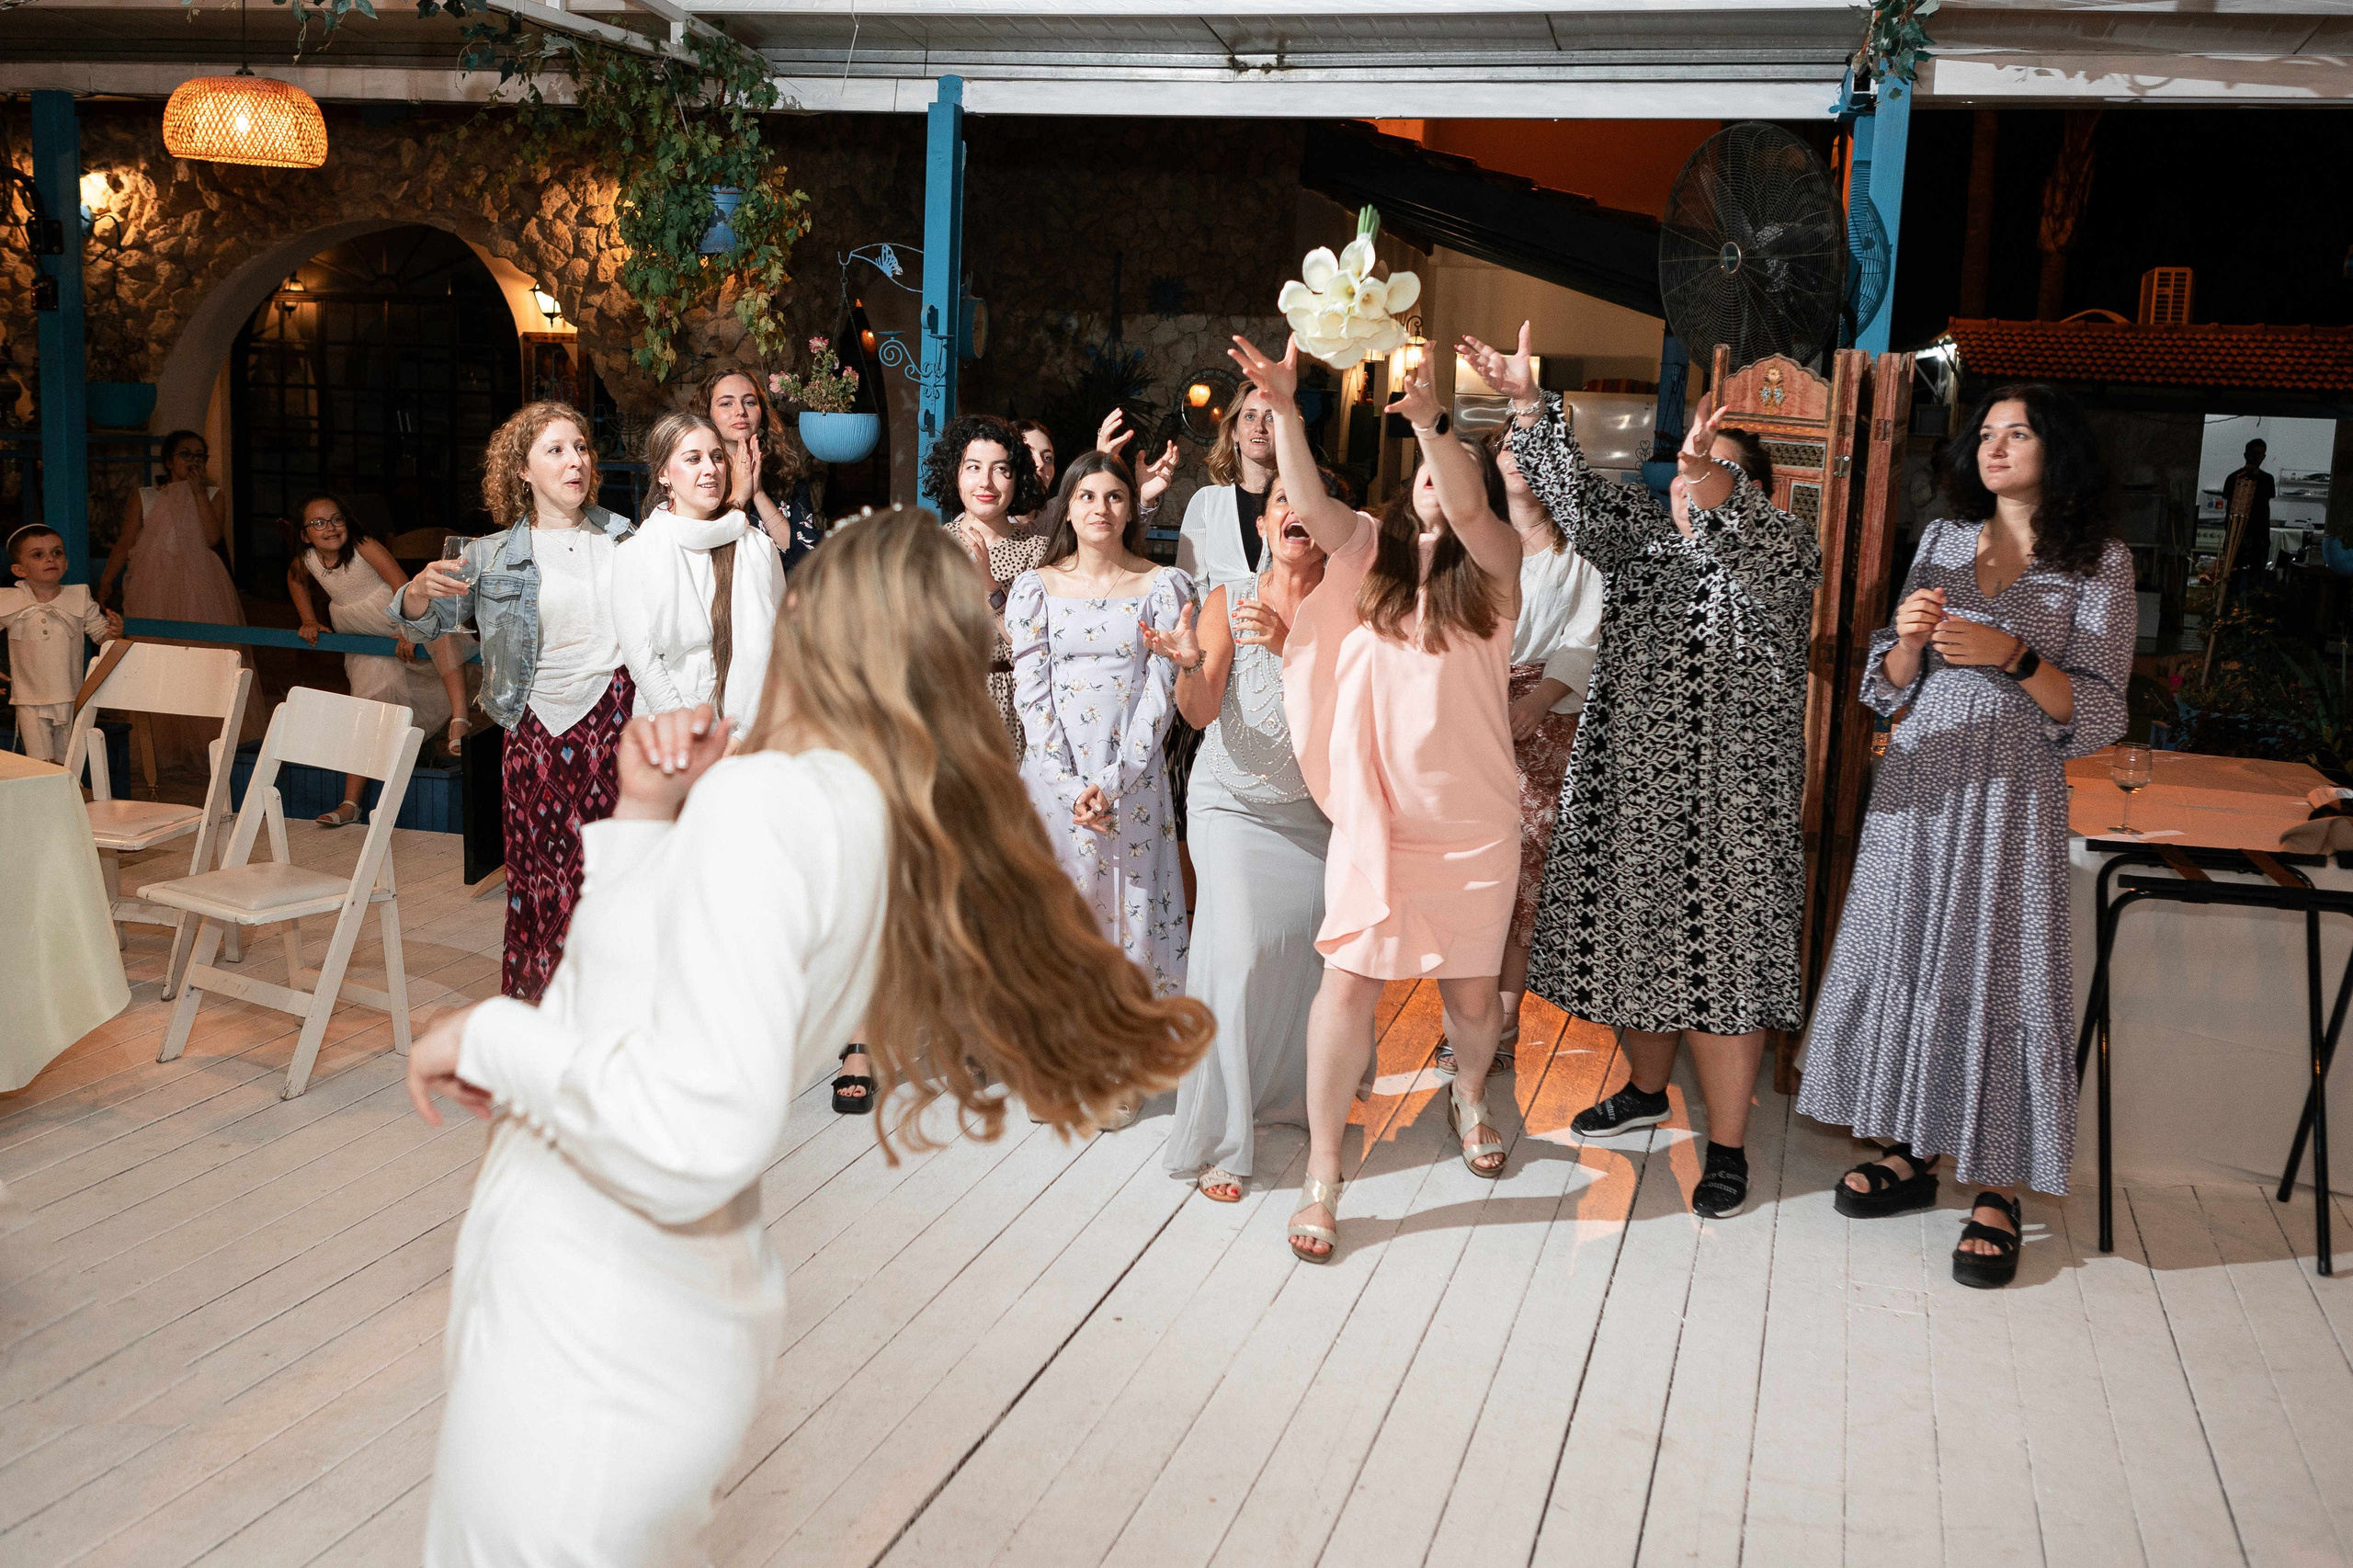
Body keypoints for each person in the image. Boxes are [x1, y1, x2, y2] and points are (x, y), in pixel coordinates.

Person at [402, 506, 1214, 1567]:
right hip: (635, 1313)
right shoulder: (862, 812)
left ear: (815, 623)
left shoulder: (770, 805)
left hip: (596, 1325)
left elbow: (697, 1126)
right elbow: (643, 1007)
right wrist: (645, 819)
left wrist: (495, 1035)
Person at [1464, 321, 1819, 1221]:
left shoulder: (1779, 560)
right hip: (1633, 799)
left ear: (1755, 496)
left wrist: (1708, 470)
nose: (1698, 482)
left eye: (1723, 471)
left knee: (1725, 976)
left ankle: (1729, 1146)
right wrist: (1522, 401)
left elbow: (1730, 507)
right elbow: (1572, 496)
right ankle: (1647, 1090)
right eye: (1690, 468)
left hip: (1734, 810)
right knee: (1639, 954)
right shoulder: (1641, 552)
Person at [1800, 384, 2134, 1290]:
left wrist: (2017, 656)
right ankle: (1909, 1148)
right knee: (1904, 950)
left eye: (2016, 432)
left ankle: (1994, 1187)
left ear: (2054, 448)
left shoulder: (2098, 560)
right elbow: (1889, 679)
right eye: (1985, 433)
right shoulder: (1945, 540)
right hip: (1918, 777)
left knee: (1996, 963)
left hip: (2010, 788)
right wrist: (1905, 643)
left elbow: (2102, 707)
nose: (1993, 446)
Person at [1228, 334, 1521, 1264]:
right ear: (1408, 484)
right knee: (1345, 983)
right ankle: (1322, 1174)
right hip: (1377, 818)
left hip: (1471, 821)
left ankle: (1469, 1090)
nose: (1442, 477)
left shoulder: (1498, 566)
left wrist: (1438, 421)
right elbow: (1309, 503)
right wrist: (1282, 408)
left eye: (1456, 462)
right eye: (1431, 465)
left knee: (1472, 1005)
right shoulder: (1369, 556)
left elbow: (1470, 506)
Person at [392, 402, 636, 1003]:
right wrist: (419, 592)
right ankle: (542, 1013)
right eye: (555, 449)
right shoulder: (490, 554)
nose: (573, 460)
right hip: (532, 731)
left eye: (580, 447)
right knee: (542, 880)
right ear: (522, 469)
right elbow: (420, 626)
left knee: (612, 879)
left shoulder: (625, 538)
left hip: (614, 724)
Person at [1144, 470, 1333, 1202]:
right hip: (1230, 805)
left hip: (1313, 808)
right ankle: (1227, 1135)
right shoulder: (1228, 600)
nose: (1293, 512)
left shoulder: (1347, 610)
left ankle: (1286, 1098)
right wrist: (1189, 662)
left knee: (1308, 957)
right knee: (1242, 950)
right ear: (1264, 526)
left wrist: (1293, 647)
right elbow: (1197, 715)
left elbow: (1351, 712)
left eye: (1308, 502)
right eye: (1281, 499)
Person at [1434, 429, 1605, 1077]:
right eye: (1510, 449)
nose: (1521, 462)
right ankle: (1463, 1022)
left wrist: (1535, 704)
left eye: (1537, 452)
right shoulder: (1472, 541)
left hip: (1546, 723)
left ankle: (1500, 1026)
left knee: (1520, 885)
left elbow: (1586, 637)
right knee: (1464, 879)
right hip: (1469, 715)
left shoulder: (1579, 551)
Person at [1008, 452, 1193, 999]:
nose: (1100, 508)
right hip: (1053, 777)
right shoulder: (1034, 588)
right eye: (1086, 496)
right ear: (1066, 509)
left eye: (1114, 496)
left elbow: (1161, 692)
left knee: (1129, 904)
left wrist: (1114, 780)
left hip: (1130, 776)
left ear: (1131, 507)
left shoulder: (1164, 585)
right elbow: (1031, 691)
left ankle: (1127, 1040)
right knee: (1056, 904)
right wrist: (1068, 787)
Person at [287, 494, 474, 824]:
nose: (329, 528)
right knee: (366, 704)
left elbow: (401, 583)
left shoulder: (363, 545)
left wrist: (408, 629)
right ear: (305, 534)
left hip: (398, 613)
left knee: (441, 634)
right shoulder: (306, 560)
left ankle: (459, 718)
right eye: (317, 523)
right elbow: (295, 580)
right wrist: (308, 619)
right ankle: (351, 803)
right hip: (364, 634)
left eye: (336, 519)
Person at [613, 413, 785, 743]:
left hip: (747, 735)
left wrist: (737, 740)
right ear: (664, 473)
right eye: (693, 459)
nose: (711, 469)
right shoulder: (634, 554)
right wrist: (691, 738)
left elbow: (779, 648)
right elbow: (643, 662)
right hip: (666, 735)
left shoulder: (758, 548)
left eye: (717, 457)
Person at [96, 428, 252, 768]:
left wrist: (195, 492)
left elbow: (212, 537)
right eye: (186, 454)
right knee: (155, 654)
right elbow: (125, 541)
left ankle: (208, 740)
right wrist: (107, 580)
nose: (193, 461)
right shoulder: (146, 495)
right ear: (168, 461)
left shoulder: (213, 494)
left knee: (202, 656)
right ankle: (162, 744)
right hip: (153, 582)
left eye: (200, 455)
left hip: (201, 584)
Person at [923, 414, 1051, 752]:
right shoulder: (930, 547)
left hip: (1015, 703)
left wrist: (988, 584)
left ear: (1017, 478)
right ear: (956, 474)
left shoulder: (1039, 553)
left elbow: (1033, 645)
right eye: (974, 467)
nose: (986, 483)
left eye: (1001, 470)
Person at [1, 524, 119, 764]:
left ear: (65, 562)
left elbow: (100, 635)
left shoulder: (79, 596)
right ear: (19, 569)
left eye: (57, 553)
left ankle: (71, 798)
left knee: (70, 761)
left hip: (70, 695)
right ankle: (44, 800)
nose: (50, 559)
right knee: (40, 763)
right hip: (28, 699)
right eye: (38, 555)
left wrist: (113, 633)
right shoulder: (8, 600)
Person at [703, 365, 824, 573]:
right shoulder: (701, 477)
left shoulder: (786, 473)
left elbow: (806, 558)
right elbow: (709, 556)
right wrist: (740, 493)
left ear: (762, 413)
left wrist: (758, 493)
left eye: (749, 402)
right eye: (726, 403)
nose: (740, 411)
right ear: (708, 414)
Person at [1175, 382, 1279, 592]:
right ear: (1234, 432)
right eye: (1250, 416)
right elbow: (1190, 587)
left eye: (1271, 417)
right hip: (1215, 623)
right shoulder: (1206, 502)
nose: (1260, 426)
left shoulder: (1302, 503)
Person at [2216, 437, 2275, 579]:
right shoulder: (2234, 478)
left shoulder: (2267, 479)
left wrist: (2256, 476)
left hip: (2259, 535)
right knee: (2232, 576)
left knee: (2257, 576)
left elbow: (2265, 497)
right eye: (2254, 453)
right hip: (2236, 533)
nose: (2257, 457)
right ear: (2246, 455)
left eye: (2261, 454)